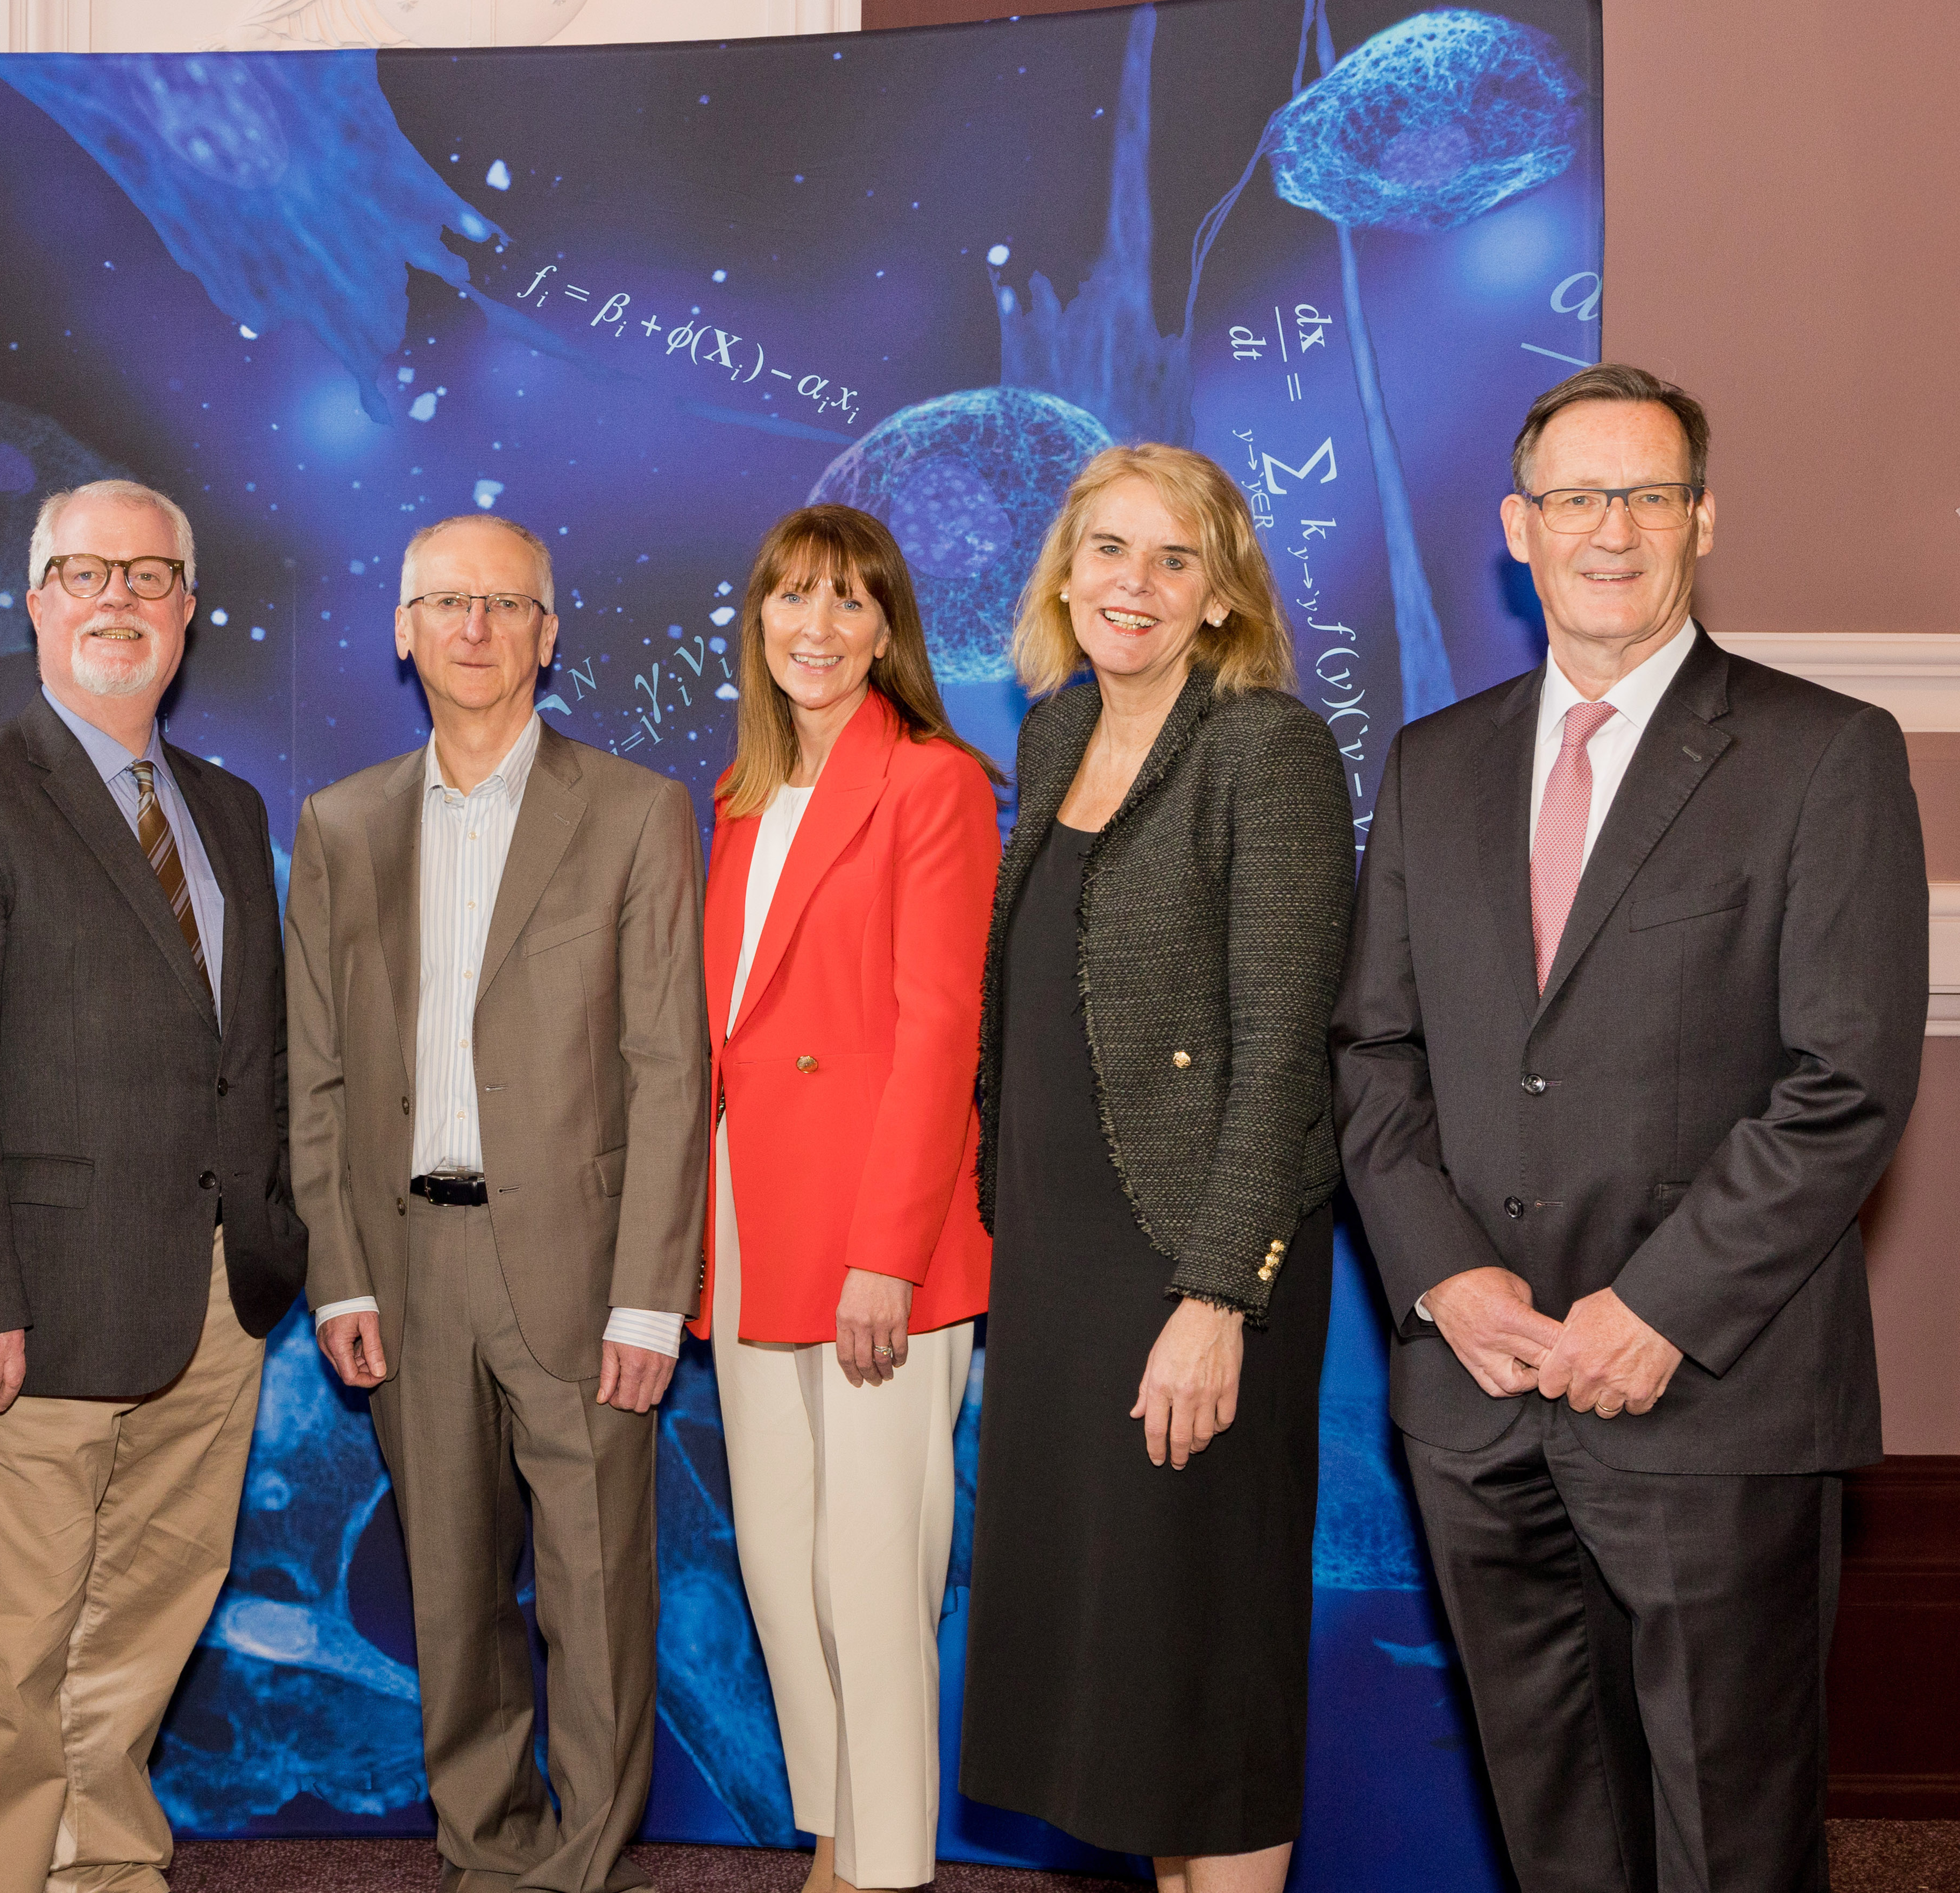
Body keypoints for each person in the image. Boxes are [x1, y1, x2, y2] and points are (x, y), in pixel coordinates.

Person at [1333, 364, 1927, 1893]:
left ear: (1702, 521)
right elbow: (1374, 1053)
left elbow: (1848, 1081)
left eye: (1650, 495)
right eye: (1578, 497)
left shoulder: (1824, 753)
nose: (1613, 529)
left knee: (1735, 1844)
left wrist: (1657, 1309)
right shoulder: (1434, 763)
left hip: (1711, 1401)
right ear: (1517, 529)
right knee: (1558, 1836)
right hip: (1478, 1401)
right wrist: (1444, 1279)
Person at [0, 478, 307, 1892]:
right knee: (9, 1674)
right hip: (22, 1319)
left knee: (136, 1644)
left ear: (189, 609)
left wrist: (269, 1251)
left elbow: (252, 1059)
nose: (118, 597)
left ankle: (105, 1877)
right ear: (36, 602)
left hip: (212, 1309)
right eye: (85, 573)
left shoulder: (228, 810)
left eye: (149, 574)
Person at [286, 513, 707, 1893]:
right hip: (407, 1268)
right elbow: (316, 1071)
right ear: (403, 631)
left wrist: (651, 1296)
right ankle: (485, 1852)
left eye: (506, 603)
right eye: (446, 603)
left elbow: (670, 1067)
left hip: (583, 1271)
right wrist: (340, 1273)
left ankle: (578, 1866)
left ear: (549, 632)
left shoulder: (636, 810)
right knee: (453, 1596)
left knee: (595, 1595)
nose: (475, 627)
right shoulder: (341, 825)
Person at [958, 446, 1354, 1893]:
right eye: (1109, 550)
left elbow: (1286, 1049)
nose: (1135, 583)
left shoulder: (1267, 751)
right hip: (1060, 1272)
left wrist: (1217, 1298)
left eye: (1174, 559)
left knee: (1204, 1667)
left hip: (1189, 1264)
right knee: (1122, 1677)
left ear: (1220, 594)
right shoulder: (1060, 733)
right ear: (1065, 575)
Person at [694, 504, 998, 1893]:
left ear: (888, 631)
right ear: (757, 620)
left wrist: (890, 1254)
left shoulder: (934, 784)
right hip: (753, 1217)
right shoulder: (741, 797)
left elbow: (942, 1036)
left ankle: (886, 1871)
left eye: (847, 601)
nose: (814, 627)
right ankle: (832, 1837)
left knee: (875, 1570)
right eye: (790, 598)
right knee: (779, 1553)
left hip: (882, 1231)